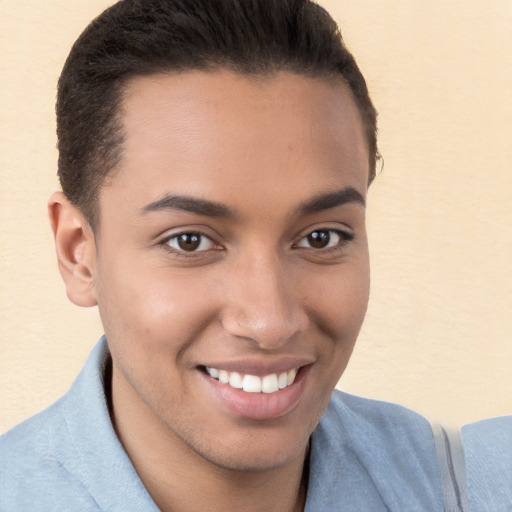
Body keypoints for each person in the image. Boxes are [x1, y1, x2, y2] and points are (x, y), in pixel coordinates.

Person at [0, 1, 510, 511]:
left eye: (320, 238)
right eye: (190, 242)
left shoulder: (477, 487)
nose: (270, 322)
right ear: (77, 253)